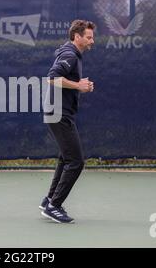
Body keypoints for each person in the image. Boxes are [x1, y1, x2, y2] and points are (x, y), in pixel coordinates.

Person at [40, 19, 96, 223]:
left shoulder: (71, 53)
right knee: (76, 162)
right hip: (59, 113)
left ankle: (49, 200)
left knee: (66, 157)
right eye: (88, 37)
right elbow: (52, 78)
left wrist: (78, 84)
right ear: (77, 36)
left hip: (60, 113)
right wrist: (78, 86)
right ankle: (54, 206)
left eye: (92, 37)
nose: (92, 41)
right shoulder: (70, 54)